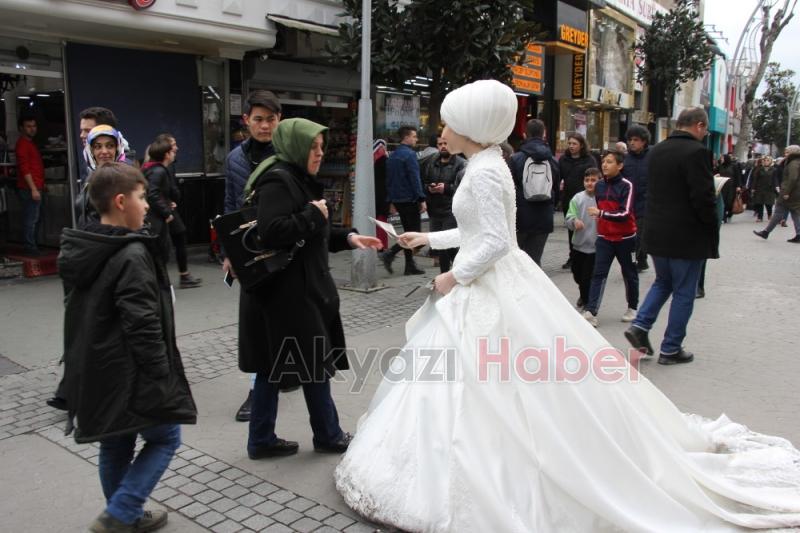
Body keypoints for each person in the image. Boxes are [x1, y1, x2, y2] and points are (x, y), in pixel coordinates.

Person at [334, 79, 800, 532]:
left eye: (449, 123)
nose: (442, 129)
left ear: (472, 126)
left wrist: (453, 276)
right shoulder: (487, 164)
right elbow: (482, 233)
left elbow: (495, 241)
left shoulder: (485, 170)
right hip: (497, 282)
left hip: (491, 285)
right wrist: (429, 237)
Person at [58, 163, 197, 532]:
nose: (147, 205)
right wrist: (161, 372)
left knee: (116, 443)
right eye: (141, 197)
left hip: (98, 366)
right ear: (121, 201)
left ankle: (128, 517)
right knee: (166, 437)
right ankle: (122, 511)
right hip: (130, 368)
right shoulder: (131, 254)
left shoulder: (88, 244)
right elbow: (142, 321)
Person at [238, 118, 381, 459]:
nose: (319, 153)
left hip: (287, 292)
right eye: (314, 147)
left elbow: (308, 235)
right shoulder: (279, 181)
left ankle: (261, 440)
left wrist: (347, 237)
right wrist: (313, 216)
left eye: (321, 147)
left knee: (274, 367)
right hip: (289, 296)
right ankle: (328, 434)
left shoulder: (294, 179)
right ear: (297, 147)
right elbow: (273, 232)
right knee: (312, 363)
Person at [625, 107, 718, 365]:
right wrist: (712, 222)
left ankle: (640, 326)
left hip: (657, 232)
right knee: (684, 291)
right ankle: (671, 347)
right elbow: (703, 197)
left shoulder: (658, 150)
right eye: (705, 129)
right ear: (698, 125)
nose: (705, 133)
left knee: (663, 282)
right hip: (686, 235)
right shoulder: (697, 152)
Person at [221, 89, 282, 422]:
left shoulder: (288, 154)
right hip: (248, 248)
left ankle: (286, 371)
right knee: (255, 322)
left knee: (286, 314)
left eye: (270, 119)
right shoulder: (234, 159)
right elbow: (230, 205)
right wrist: (227, 253)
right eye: (258, 119)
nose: (264, 125)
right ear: (246, 121)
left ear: (279, 121)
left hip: (283, 245)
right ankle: (256, 390)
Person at [580, 149, 638, 326]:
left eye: (610, 162)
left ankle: (632, 307)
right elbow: (599, 212)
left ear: (620, 166)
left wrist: (601, 214)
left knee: (629, 273)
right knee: (598, 274)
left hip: (626, 238)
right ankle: (591, 311)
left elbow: (625, 213)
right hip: (604, 237)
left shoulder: (627, 185)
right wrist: (600, 216)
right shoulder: (599, 185)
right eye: (604, 161)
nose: (604, 164)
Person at [142, 134, 202, 288]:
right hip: (161, 212)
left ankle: (182, 275)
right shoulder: (159, 170)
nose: (176, 149)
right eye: (173, 146)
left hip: (164, 207)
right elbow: (153, 192)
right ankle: (162, 281)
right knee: (161, 246)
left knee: (175, 237)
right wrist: (166, 211)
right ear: (166, 152)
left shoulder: (157, 168)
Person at [509, 119, 560, 266]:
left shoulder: (516, 159)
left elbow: (509, 189)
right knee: (534, 262)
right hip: (543, 218)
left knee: (515, 262)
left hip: (520, 218)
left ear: (525, 135)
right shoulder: (552, 160)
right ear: (544, 134)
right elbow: (555, 189)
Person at [379, 126, 427, 275]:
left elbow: (389, 180)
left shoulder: (392, 156)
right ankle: (390, 253)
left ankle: (409, 265)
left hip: (398, 199)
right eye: (414, 136)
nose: (416, 139)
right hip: (410, 198)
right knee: (414, 234)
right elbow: (414, 178)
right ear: (406, 137)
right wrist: (421, 198)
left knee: (408, 232)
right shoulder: (410, 155)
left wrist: (391, 200)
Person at [420, 135, 466, 273]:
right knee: (440, 244)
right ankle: (445, 273)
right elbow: (424, 181)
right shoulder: (432, 162)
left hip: (451, 210)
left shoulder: (461, 163)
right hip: (435, 210)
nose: (443, 146)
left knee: (448, 243)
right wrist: (429, 188)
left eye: (446, 143)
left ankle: (459, 271)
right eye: (440, 144)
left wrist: (445, 188)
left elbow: (464, 189)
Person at [558, 132, 595, 269]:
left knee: (586, 227)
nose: (571, 146)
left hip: (585, 199)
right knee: (571, 227)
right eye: (570, 143)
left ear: (581, 145)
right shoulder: (563, 159)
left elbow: (594, 177)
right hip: (569, 198)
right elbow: (558, 177)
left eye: (574, 144)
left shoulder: (589, 160)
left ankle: (587, 255)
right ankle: (572, 257)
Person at [565, 167, 600, 310]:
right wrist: (574, 221)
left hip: (594, 246)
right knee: (577, 274)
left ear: (600, 181)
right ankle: (583, 294)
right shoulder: (578, 198)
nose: (590, 183)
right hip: (578, 244)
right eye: (587, 180)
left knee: (587, 277)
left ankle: (587, 302)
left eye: (593, 180)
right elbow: (569, 215)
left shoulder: (602, 198)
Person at [753, 144, 800, 242]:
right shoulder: (795, 162)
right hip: (794, 192)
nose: (785, 154)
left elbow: (792, 178)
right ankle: (798, 234)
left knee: (779, 212)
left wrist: (786, 192)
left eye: (787, 152)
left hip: (789, 192)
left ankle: (766, 232)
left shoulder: (793, 163)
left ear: (793, 153)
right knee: (794, 213)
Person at [15, 115, 44, 255]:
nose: (32, 129)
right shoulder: (22, 145)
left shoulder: (30, 144)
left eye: (34, 126)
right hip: (29, 188)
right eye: (28, 126)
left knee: (34, 218)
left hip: (35, 186)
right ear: (21, 128)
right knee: (31, 219)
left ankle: (33, 245)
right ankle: (30, 247)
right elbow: (24, 169)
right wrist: (33, 189)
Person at [624, 125, 651, 271]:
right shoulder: (625, 159)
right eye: (630, 140)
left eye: (636, 140)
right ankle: (641, 260)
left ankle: (632, 264)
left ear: (644, 141)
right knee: (630, 236)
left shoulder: (652, 157)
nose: (632, 143)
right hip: (628, 205)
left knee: (638, 237)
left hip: (645, 204)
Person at [749, 156, 777, 222]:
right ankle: (760, 217)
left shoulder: (774, 170)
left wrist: (776, 187)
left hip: (770, 189)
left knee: (769, 203)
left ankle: (769, 215)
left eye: (768, 160)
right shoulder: (759, 169)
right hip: (760, 188)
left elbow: (776, 179)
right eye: (765, 160)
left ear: (771, 161)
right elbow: (755, 179)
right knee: (759, 203)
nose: (766, 162)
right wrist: (753, 188)